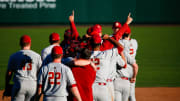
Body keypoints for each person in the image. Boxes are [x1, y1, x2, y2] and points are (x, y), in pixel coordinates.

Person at [4, 35, 42, 101]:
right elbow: (40, 72)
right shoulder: (37, 56)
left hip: (19, 83)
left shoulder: (13, 56)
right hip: (32, 84)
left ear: (20, 43)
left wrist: (7, 85)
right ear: (30, 43)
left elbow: (9, 73)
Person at [90, 34, 125, 101]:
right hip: (103, 88)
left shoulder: (86, 55)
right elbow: (121, 47)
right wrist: (109, 38)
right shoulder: (106, 54)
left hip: (91, 88)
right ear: (101, 43)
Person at [119, 27, 139, 101]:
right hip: (133, 69)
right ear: (130, 34)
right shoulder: (134, 42)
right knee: (132, 95)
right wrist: (134, 76)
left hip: (124, 69)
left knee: (121, 94)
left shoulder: (120, 42)